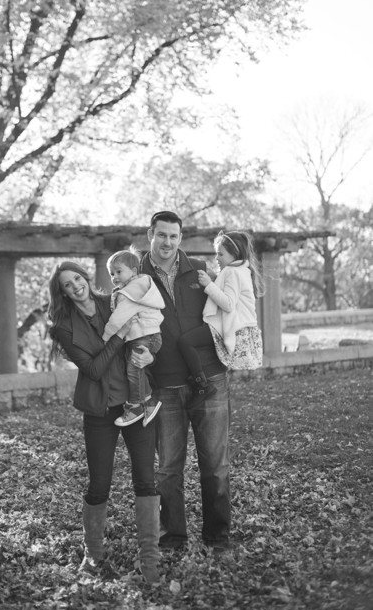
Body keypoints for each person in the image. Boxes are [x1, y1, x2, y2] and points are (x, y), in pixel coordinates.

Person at [47, 261, 162, 583]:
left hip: (135, 403)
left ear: (85, 278)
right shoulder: (63, 326)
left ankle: (150, 560)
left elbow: (148, 329)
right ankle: (93, 554)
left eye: (77, 278)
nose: (75, 286)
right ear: (63, 293)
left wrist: (150, 353)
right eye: (67, 285)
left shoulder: (114, 300)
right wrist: (120, 335)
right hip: (99, 411)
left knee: (145, 480)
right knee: (99, 484)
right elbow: (94, 370)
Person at [137, 210, 231, 551]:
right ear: (151, 234)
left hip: (211, 379)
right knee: (168, 469)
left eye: (174, 236)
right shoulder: (136, 276)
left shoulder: (201, 272)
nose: (168, 242)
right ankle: (173, 538)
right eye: (162, 235)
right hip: (164, 384)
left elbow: (229, 310)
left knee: (216, 465)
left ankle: (218, 537)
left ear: (181, 238)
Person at [178, 230, 264, 386]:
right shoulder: (241, 270)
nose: (216, 258)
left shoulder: (232, 272)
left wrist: (208, 285)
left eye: (221, 254)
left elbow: (228, 304)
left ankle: (199, 380)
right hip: (233, 325)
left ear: (234, 254)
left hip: (227, 326)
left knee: (185, 342)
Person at [101, 248, 165, 427]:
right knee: (137, 369)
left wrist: (105, 338)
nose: (114, 277)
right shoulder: (137, 288)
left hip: (145, 336)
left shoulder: (130, 293)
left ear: (134, 271)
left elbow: (117, 320)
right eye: (111, 273)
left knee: (133, 369)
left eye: (119, 271)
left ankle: (136, 407)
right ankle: (149, 404)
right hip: (148, 335)